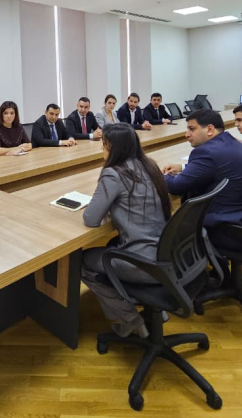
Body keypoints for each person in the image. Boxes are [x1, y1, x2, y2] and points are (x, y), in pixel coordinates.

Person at [82, 123, 171, 339]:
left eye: (104, 144)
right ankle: (157, 310)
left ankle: (130, 319)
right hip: (166, 255)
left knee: (81, 262)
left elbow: (91, 219)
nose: (102, 148)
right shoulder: (149, 165)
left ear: (113, 147)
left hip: (142, 263)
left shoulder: (113, 173)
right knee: (109, 246)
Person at [162, 110, 242, 229]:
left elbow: (175, 186)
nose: (186, 135)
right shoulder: (231, 141)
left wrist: (158, 175)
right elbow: (213, 167)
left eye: (192, 129)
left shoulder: (206, 152)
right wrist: (183, 167)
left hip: (224, 221)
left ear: (210, 130)